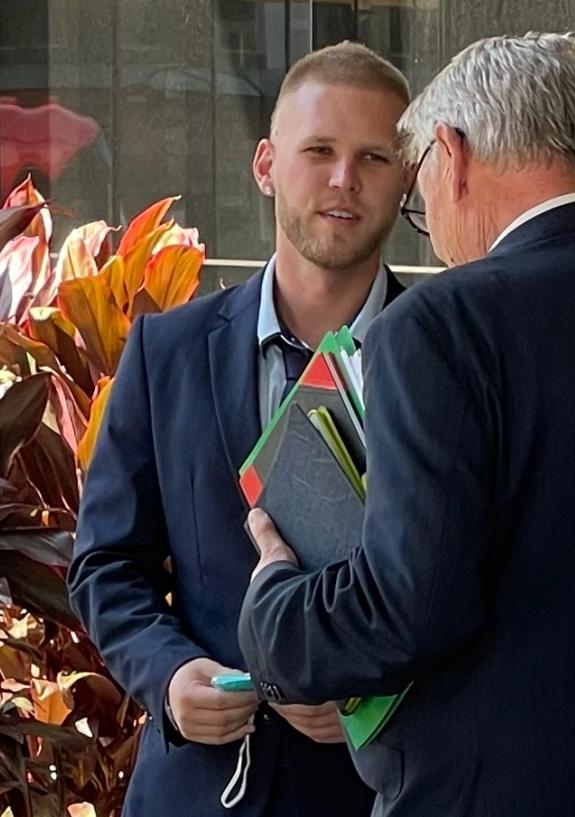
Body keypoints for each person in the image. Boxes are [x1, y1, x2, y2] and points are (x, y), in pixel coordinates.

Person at [238, 32, 575, 817]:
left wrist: (275, 601)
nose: (430, 224)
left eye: (417, 190)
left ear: (452, 154)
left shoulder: (443, 322)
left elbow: (406, 607)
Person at [68, 41, 410, 817]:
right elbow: (104, 563)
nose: (342, 180)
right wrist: (171, 675)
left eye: (374, 157)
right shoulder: (167, 352)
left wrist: (376, 687)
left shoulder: (454, 363)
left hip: (379, 796)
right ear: (265, 164)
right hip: (196, 792)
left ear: (410, 174)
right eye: (318, 150)